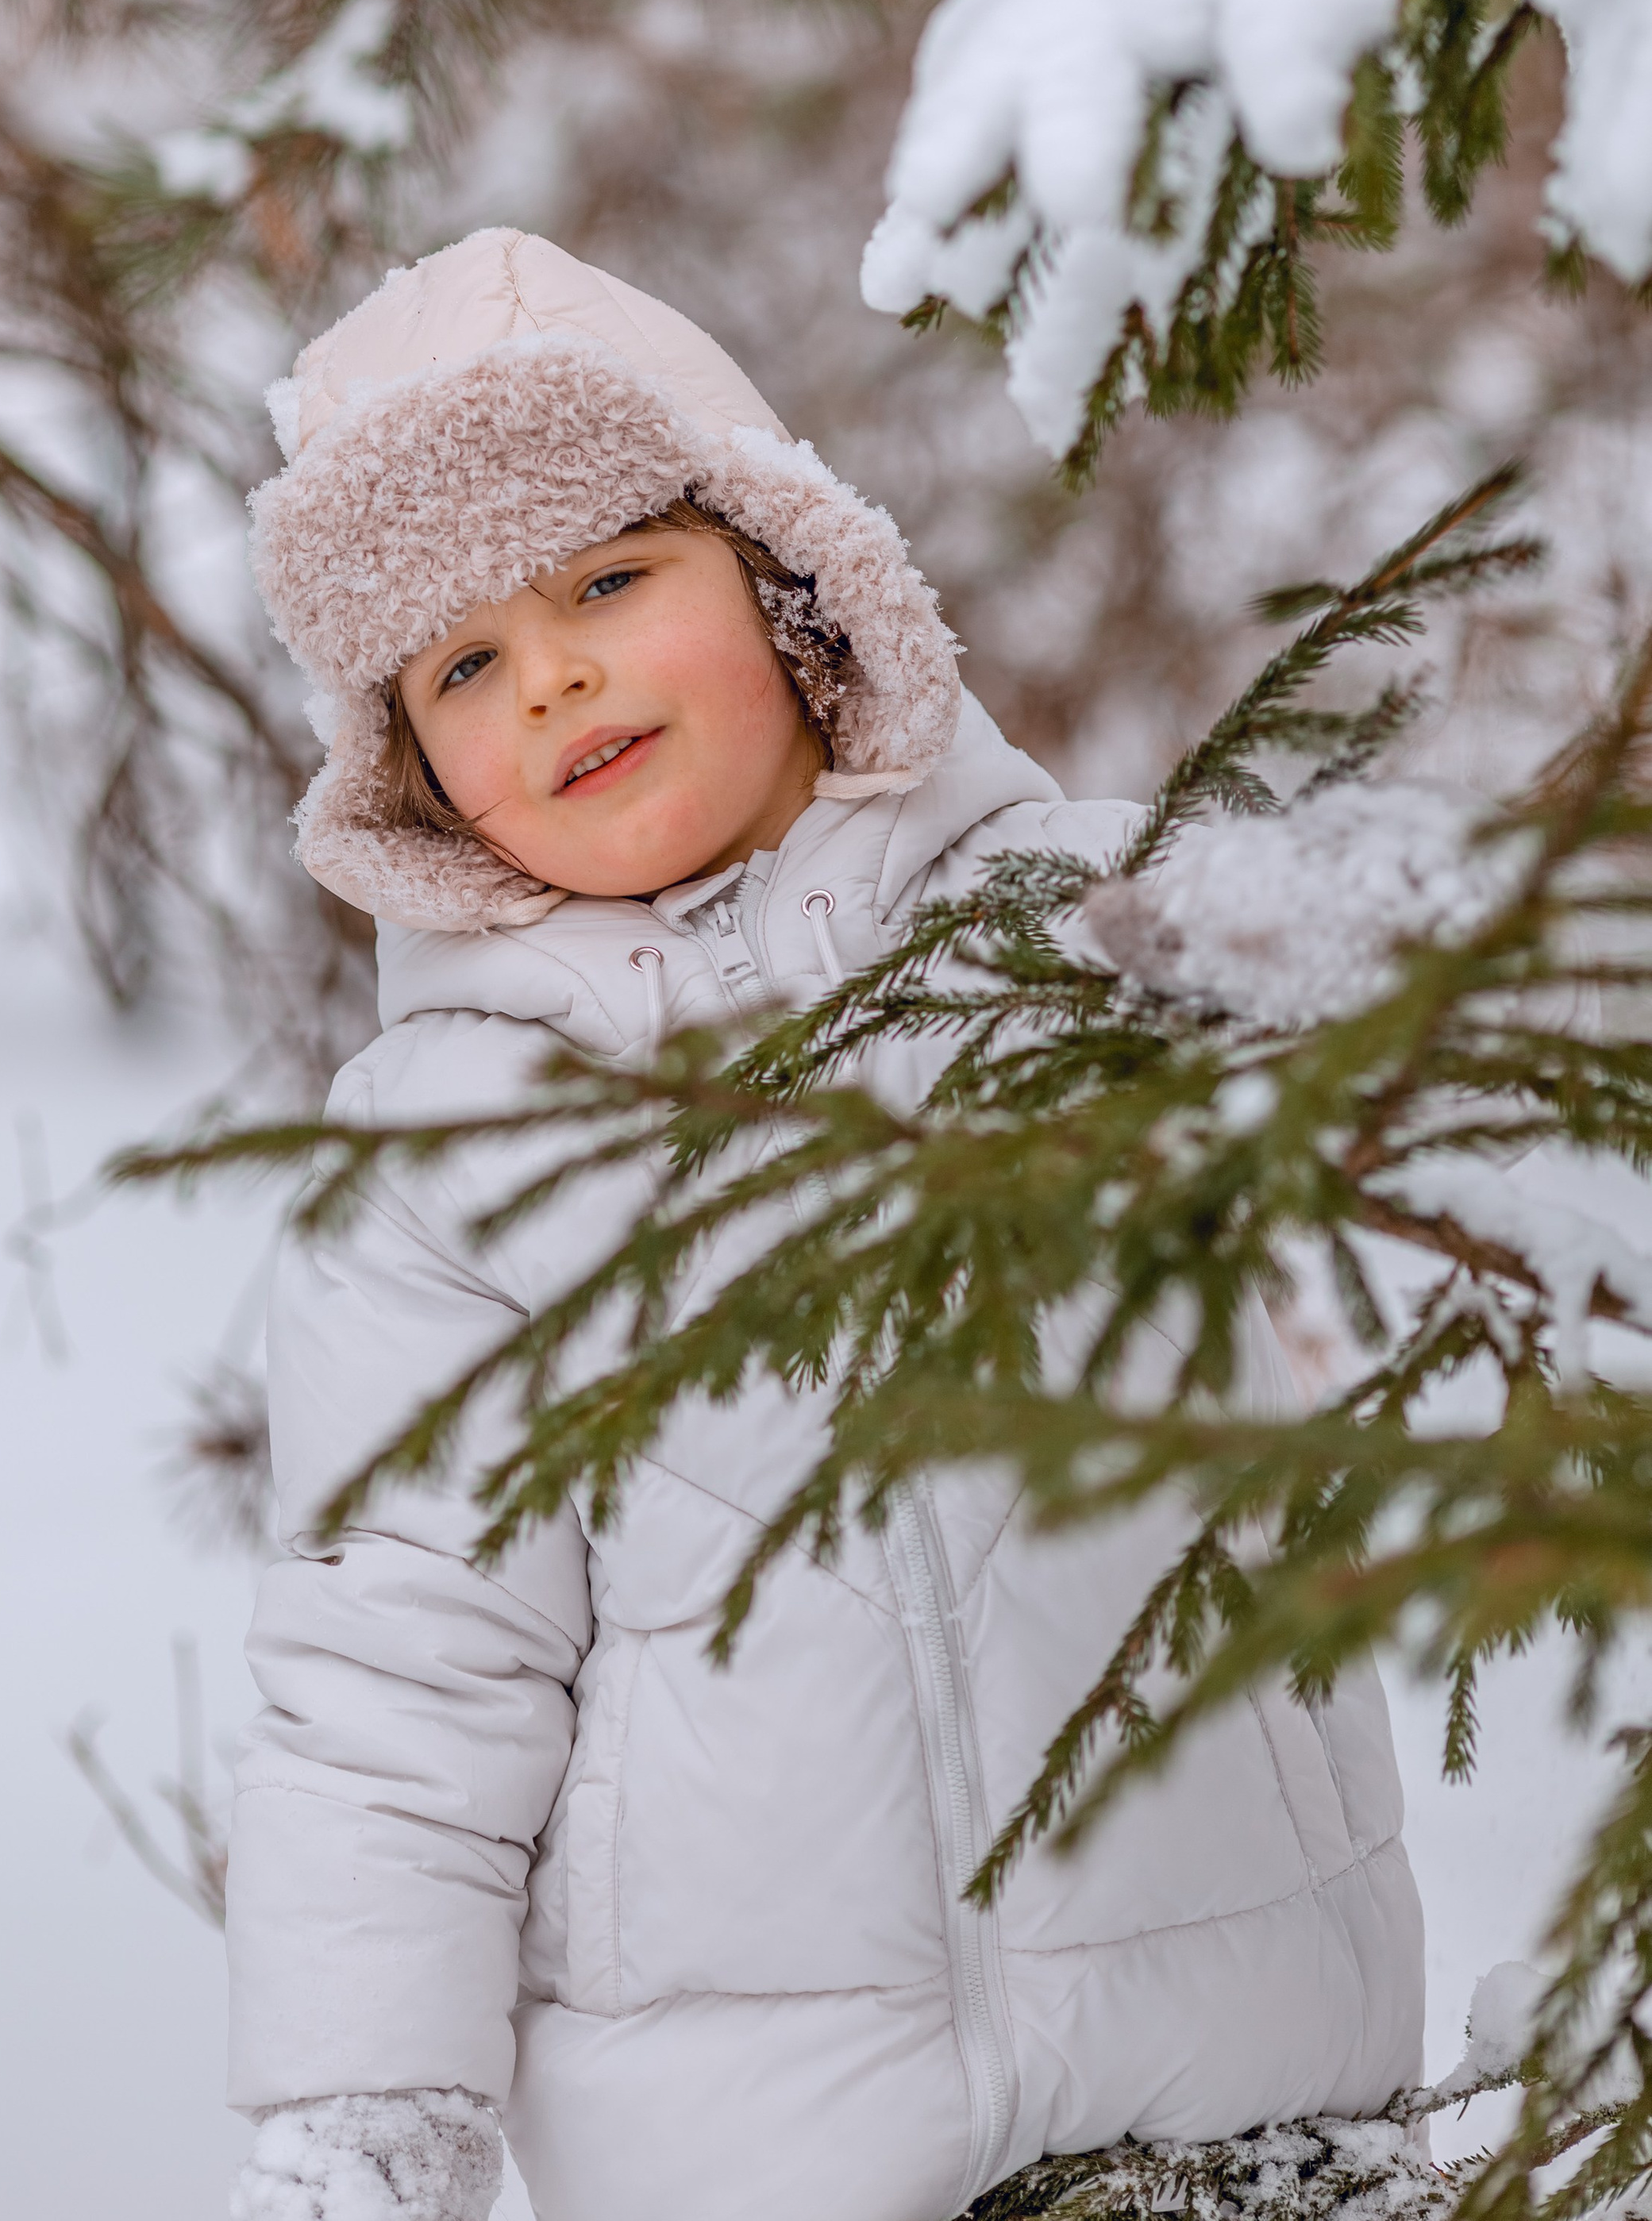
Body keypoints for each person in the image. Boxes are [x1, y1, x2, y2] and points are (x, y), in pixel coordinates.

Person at [226, 228, 1423, 2221]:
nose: (558, 675)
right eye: (464, 662)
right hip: (761, 2144)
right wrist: (371, 2115)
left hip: (1250, 2070)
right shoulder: (453, 1150)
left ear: (791, 583)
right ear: (415, 774)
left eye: (608, 578)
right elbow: (395, 1669)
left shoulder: (1082, 935)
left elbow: (1407, 1238)